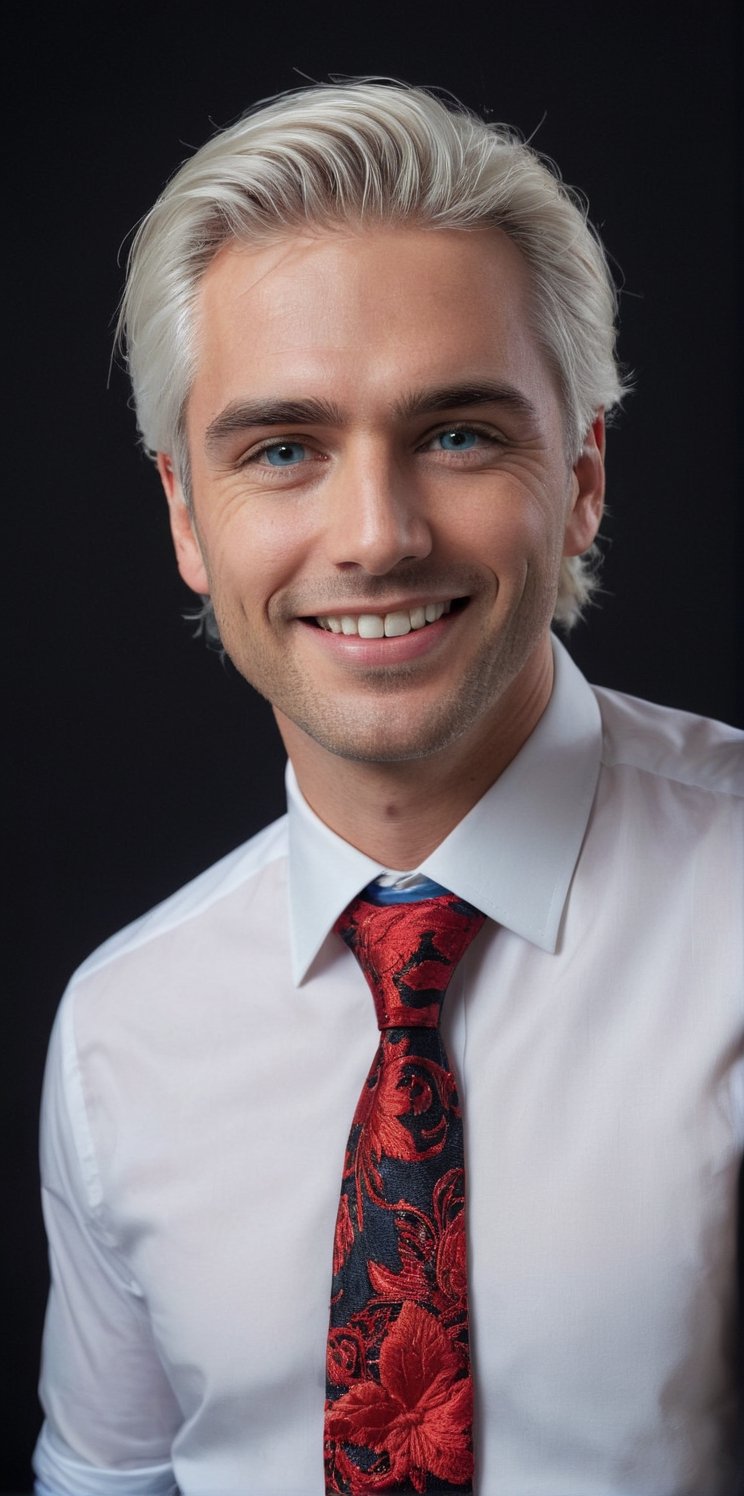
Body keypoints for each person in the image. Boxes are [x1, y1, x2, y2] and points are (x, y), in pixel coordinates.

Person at [34, 81, 742, 1496]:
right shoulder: (123, 1032)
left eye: (460, 434)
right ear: (186, 514)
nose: (375, 537)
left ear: (584, 474)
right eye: (283, 450)